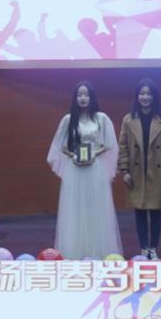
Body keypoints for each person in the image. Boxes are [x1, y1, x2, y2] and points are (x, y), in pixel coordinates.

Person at [46, 81, 121, 259]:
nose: (83, 98)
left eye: (86, 94)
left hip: (95, 169)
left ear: (92, 97)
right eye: (79, 95)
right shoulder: (68, 119)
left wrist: (95, 154)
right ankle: (74, 253)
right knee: (75, 209)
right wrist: (72, 155)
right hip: (75, 171)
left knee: (96, 208)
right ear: (75, 98)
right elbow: (59, 146)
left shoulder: (101, 118)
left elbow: (110, 144)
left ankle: (98, 253)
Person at [117, 79, 161, 261]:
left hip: (157, 170)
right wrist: (124, 170)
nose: (145, 97)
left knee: (156, 211)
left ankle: (154, 248)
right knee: (140, 211)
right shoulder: (128, 119)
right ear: (137, 96)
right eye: (142, 93)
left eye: (149, 93)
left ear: (154, 96)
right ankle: (144, 248)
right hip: (136, 170)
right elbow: (122, 146)